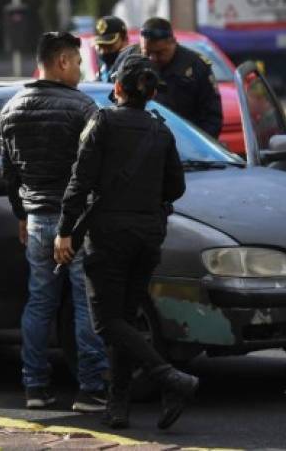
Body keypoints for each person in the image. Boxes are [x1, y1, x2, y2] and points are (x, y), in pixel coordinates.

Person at [54, 54, 196, 431]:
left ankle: (171, 378)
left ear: (117, 88)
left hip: (109, 238)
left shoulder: (102, 122)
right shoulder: (161, 130)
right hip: (147, 237)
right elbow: (176, 188)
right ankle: (119, 406)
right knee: (124, 321)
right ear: (149, 94)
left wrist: (65, 230)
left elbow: (79, 181)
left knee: (106, 323)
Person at [0, 31, 109, 412]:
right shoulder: (84, 108)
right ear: (62, 61)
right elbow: (96, 171)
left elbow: (8, 173)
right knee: (85, 303)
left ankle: (35, 387)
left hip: (36, 222)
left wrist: (20, 214)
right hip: (76, 223)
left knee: (39, 302)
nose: (80, 70)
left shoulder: (11, 108)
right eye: (78, 62)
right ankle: (91, 390)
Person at [138, 17, 223, 138]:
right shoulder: (131, 61)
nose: (153, 58)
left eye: (159, 53)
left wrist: (196, 150)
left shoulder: (196, 67)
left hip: (185, 147)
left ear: (173, 42)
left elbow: (212, 118)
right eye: (147, 52)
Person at [94, 16, 130, 82]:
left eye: (109, 46)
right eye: (100, 46)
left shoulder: (132, 70)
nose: (104, 51)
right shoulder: (102, 71)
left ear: (125, 40)